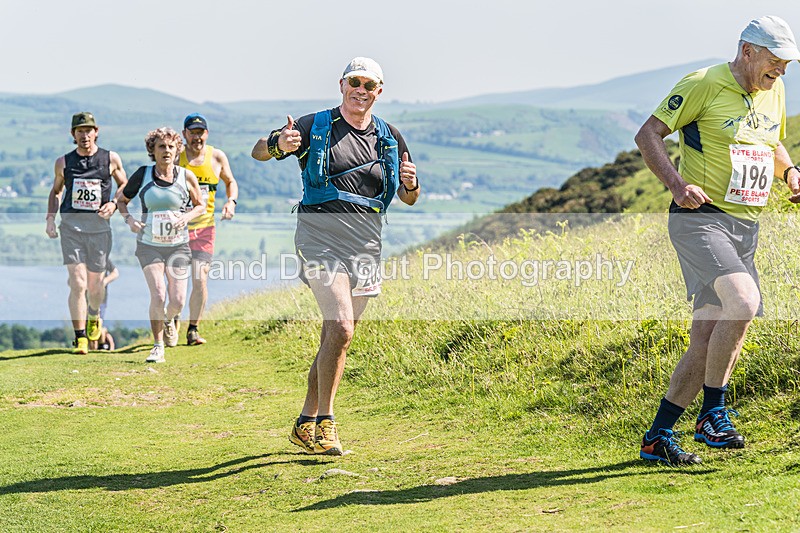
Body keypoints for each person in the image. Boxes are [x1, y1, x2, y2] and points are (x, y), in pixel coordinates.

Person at [634, 15, 800, 465]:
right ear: (748, 51)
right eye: (775, 62)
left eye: (786, 65)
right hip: (699, 220)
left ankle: (657, 438)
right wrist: (676, 185)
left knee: (707, 335)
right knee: (743, 302)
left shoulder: (773, 91)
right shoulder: (703, 83)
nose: (781, 71)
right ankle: (713, 412)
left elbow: (772, 143)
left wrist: (790, 173)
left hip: (745, 226)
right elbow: (648, 133)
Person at [252, 57, 420, 455]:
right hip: (319, 237)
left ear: (379, 91)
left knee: (336, 336)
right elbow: (260, 150)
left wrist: (411, 185)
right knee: (342, 327)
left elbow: (408, 198)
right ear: (342, 85)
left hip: (366, 244)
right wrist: (279, 144)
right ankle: (327, 422)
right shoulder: (315, 126)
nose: (361, 91)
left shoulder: (390, 137)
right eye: (354, 82)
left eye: (370, 85)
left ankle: (304, 422)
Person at [116, 127, 205, 363]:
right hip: (149, 245)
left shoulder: (186, 177)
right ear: (152, 151)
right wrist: (130, 220)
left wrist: (186, 217)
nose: (166, 151)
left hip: (178, 245)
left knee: (177, 300)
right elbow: (122, 200)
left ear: (177, 150)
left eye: (170, 146)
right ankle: (157, 346)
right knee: (158, 293)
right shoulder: (143, 175)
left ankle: (169, 320)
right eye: (161, 147)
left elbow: (200, 205)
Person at [45, 112, 127, 355]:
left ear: (96, 131)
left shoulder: (110, 159)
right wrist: (50, 218)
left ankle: (94, 315)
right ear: (73, 134)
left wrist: (113, 203)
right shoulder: (63, 162)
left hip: (100, 230)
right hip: (71, 229)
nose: (84, 135)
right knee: (77, 282)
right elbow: (56, 191)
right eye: (79, 131)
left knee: (95, 285)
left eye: (88, 130)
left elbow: (125, 185)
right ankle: (80, 337)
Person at [179, 113, 239, 346]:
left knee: (200, 279)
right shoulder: (176, 157)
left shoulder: (216, 156)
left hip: (204, 228)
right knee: (175, 280)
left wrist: (230, 202)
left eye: (200, 132)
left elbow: (230, 181)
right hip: (177, 229)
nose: (197, 137)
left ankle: (193, 328)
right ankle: (172, 319)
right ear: (184, 134)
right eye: (192, 132)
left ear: (207, 133)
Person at [88, 260, 119, 351]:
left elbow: (115, 273)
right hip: (85, 299)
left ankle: (102, 346)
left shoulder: (102, 258)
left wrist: (104, 282)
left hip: (100, 299)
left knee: (98, 323)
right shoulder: (81, 257)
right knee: (88, 325)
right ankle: (94, 350)